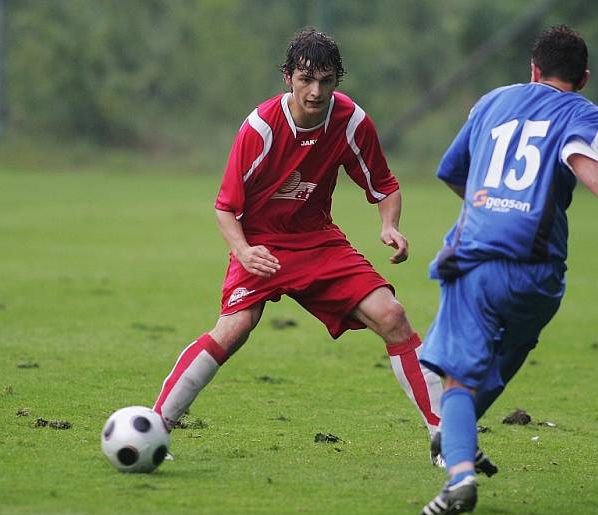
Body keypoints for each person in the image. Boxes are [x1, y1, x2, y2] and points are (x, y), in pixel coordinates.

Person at [151, 29, 444, 464]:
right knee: (233, 329)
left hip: (316, 240)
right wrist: (246, 251)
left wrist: (391, 226)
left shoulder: (351, 122)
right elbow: (225, 208)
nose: (316, 91)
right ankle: (156, 427)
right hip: (262, 243)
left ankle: (445, 438)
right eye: (306, 79)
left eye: (326, 81)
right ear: (287, 77)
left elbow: (383, 185)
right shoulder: (260, 129)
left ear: (336, 81)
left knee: (393, 316)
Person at [418, 25, 598, 515]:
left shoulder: (492, 102)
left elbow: (451, 170)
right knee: (509, 353)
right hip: (541, 273)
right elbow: (579, 152)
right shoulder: (587, 112)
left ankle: (459, 475)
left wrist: (491, 205)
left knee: (458, 378)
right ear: (584, 78)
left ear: (532, 70)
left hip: (478, 261)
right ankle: (454, 435)